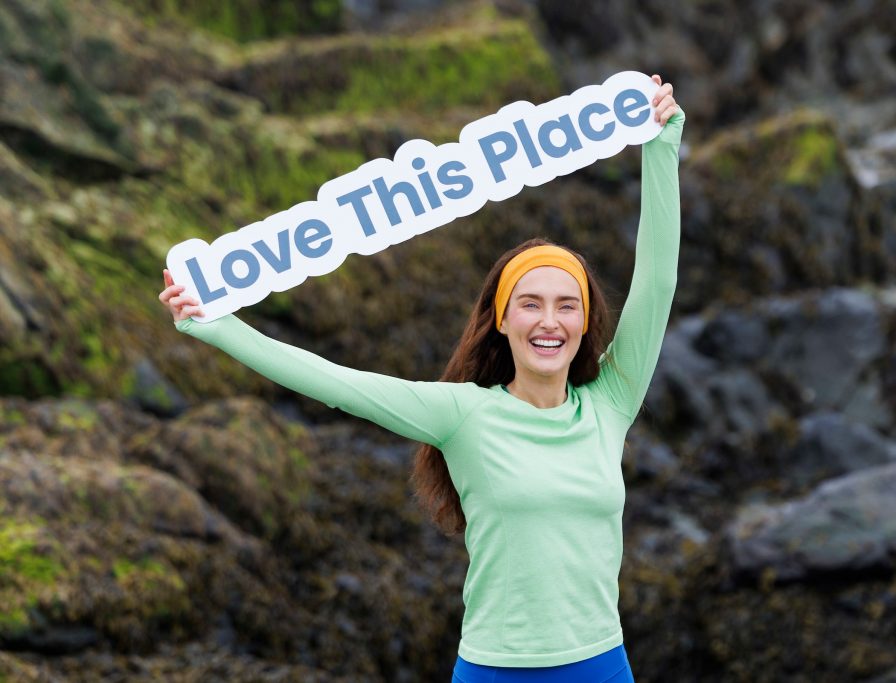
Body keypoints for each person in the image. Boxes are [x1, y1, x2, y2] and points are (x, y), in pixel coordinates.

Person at [159, 74, 683, 682]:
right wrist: (213, 325)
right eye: (530, 303)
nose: (549, 321)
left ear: (586, 320)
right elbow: (332, 382)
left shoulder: (610, 403)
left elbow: (658, 281)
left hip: (600, 666)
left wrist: (661, 146)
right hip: (495, 671)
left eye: (567, 305)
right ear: (502, 319)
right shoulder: (463, 415)